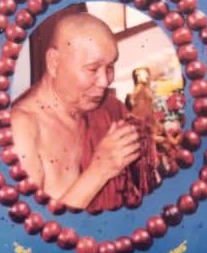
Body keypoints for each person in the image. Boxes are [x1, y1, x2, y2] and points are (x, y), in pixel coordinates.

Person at [10, 12, 142, 211]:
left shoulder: (109, 109)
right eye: (92, 69)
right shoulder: (22, 127)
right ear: (54, 62)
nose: (105, 81)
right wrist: (100, 170)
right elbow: (27, 224)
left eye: (110, 67)